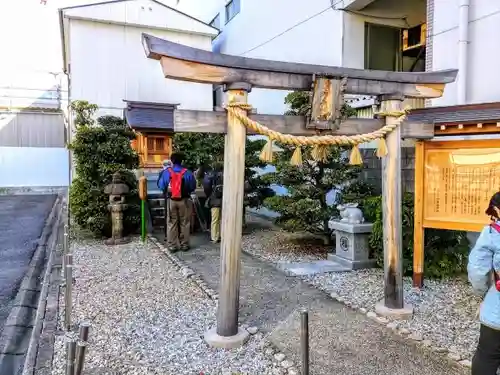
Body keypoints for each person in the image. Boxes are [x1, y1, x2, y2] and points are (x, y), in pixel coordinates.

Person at [468, 191, 500, 375]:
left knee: (487, 356)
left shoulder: (493, 233)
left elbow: (477, 270)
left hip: (497, 309)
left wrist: (483, 296)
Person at [157, 153, 196, 252]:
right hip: (184, 200)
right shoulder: (187, 172)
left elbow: (161, 186)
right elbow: (192, 187)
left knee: (171, 222)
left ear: (172, 161)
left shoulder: (167, 172)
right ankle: (184, 244)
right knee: (185, 222)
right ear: (182, 161)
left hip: (171, 200)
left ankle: (172, 245)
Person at [203, 163, 224, 243]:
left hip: (215, 200)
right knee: (222, 219)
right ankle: (222, 236)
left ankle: (214, 237)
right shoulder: (226, 175)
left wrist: (209, 195)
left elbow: (206, 186)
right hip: (225, 200)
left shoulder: (210, 175)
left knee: (215, 219)